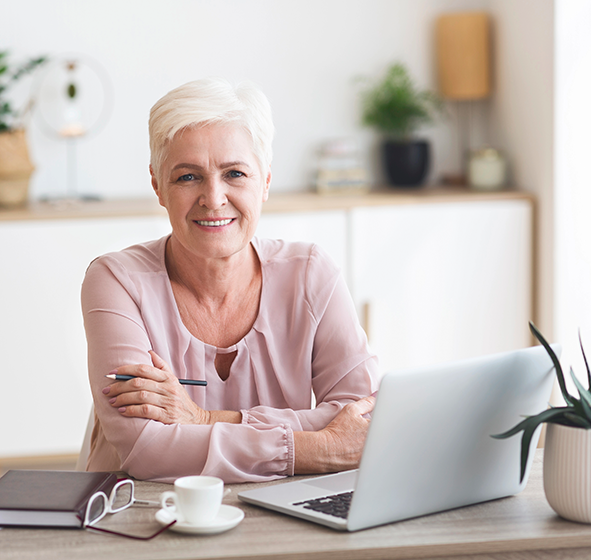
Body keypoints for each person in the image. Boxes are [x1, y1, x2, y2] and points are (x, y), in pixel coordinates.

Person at [81, 78, 378, 483]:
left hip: (277, 512)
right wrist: (318, 448)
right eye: (188, 177)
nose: (214, 198)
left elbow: (363, 418)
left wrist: (203, 419)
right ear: (158, 186)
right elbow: (146, 450)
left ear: (266, 182)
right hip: (142, 517)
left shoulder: (310, 271)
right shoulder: (116, 281)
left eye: (235, 173)